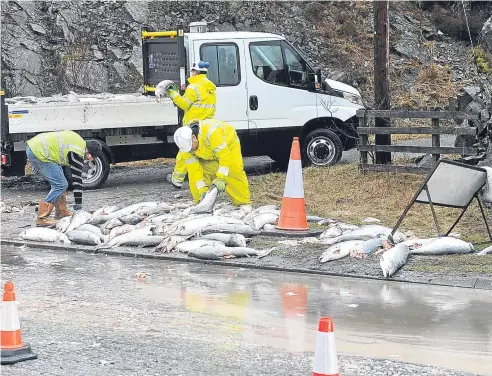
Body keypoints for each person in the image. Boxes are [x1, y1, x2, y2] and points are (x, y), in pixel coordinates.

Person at [25, 130, 102, 226]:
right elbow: (77, 181)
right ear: (89, 152)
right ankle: (42, 218)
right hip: (39, 152)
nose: (91, 159)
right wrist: (78, 207)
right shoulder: (77, 152)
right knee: (60, 184)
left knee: (62, 180)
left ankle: (61, 212)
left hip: (36, 147)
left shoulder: (78, 142)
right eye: (92, 157)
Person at [173, 119, 251, 209]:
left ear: (194, 137)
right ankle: (201, 202)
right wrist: (202, 190)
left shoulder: (211, 133)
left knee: (233, 172)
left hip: (229, 146)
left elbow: (225, 156)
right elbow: (194, 170)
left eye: (191, 147)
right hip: (209, 152)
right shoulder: (186, 148)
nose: (191, 150)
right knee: (198, 175)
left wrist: (221, 178)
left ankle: (243, 203)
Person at [162, 60, 217, 189]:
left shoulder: (193, 87)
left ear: (195, 72)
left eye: (192, 71)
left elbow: (184, 104)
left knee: (184, 151)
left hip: (192, 125)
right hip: (205, 125)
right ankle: (205, 178)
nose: (191, 74)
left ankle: (177, 179)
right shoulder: (211, 87)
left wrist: (172, 93)